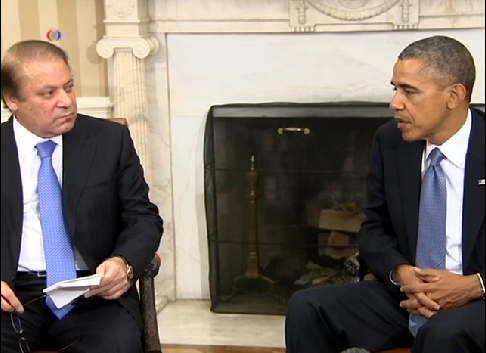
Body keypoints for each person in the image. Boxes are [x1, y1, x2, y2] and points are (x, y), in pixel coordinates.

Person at [285, 35, 485, 353]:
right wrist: (400, 272)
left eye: (409, 91)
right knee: (307, 308)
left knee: (444, 335)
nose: (395, 103)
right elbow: (375, 227)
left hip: (478, 297)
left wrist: (475, 285)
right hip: (407, 296)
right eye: (396, 88)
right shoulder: (390, 141)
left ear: (454, 95)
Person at [1, 40, 163, 352]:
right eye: (49, 93)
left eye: (69, 87)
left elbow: (142, 217)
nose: (67, 101)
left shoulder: (108, 140)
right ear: (12, 99)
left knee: (114, 345)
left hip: (91, 292)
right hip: (12, 293)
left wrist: (123, 262)